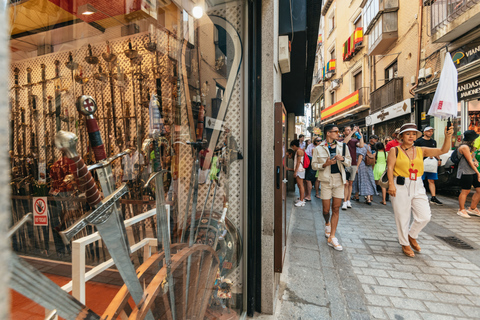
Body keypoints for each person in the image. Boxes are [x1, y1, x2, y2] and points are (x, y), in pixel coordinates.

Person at [387, 123, 453, 257]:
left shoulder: (420, 150)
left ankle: (412, 235)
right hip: (400, 184)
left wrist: (448, 137)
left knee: (425, 216)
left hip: (417, 183)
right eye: (408, 134)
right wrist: (391, 185)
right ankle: (404, 243)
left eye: (413, 134)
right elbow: (389, 168)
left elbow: (443, 151)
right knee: (402, 216)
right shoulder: (395, 150)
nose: (411, 136)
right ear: (402, 136)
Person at [312, 124, 352, 251]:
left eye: (338, 131)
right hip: (325, 180)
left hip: (339, 180)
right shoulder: (319, 148)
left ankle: (332, 236)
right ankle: (327, 223)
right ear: (328, 133)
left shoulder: (343, 146)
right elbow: (314, 166)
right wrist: (325, 164)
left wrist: (343, 158)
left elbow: (349, 162)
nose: (338, 133)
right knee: (325, 210)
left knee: (336, 208)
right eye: (335, 131)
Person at [414, 126, 443, 205]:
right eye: (428, 131)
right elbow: (415, 152)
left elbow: (435, 151)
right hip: (421, 163)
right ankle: (419, 196)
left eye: (431, 131)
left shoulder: (433, 142)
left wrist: (439, 159)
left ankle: (433, 197)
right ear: (424, 132)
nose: (430, 133)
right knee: (420, 180)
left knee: (431, 180)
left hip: (431, 163)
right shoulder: (419, 141)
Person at [456, 130, 480, 218]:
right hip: (465, 171)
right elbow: (469, 161)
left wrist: (476, 162)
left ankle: (472, 208)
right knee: (465, 190)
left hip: (472, 171)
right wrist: (478, 173)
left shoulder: (470, 147)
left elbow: (473, 159)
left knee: (479, 189)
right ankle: (461, 209)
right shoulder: (464, 147)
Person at [341, 125, 364, 210]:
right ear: (344, 132)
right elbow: (345, 142)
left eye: (350, 129)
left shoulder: (354, 140)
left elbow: (361, 145)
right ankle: (344, 201)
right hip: (345, 164)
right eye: (347, 130)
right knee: (345, 183)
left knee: (350, 183)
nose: (349, 131)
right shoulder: (341, 140)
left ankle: (348, 200)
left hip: (353, 163)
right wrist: (352, 132)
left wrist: (360, 135)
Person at [290, 140, 306, 207]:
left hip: (300, 169)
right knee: (300, 185)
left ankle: (302, 200)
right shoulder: (299, 150)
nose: (292, 148)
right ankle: (301, 199)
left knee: (300, 185)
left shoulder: (299, 151)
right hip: (300, 169)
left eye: (292, 147)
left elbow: (298, 162)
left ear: (294, 146)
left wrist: (295, 171)